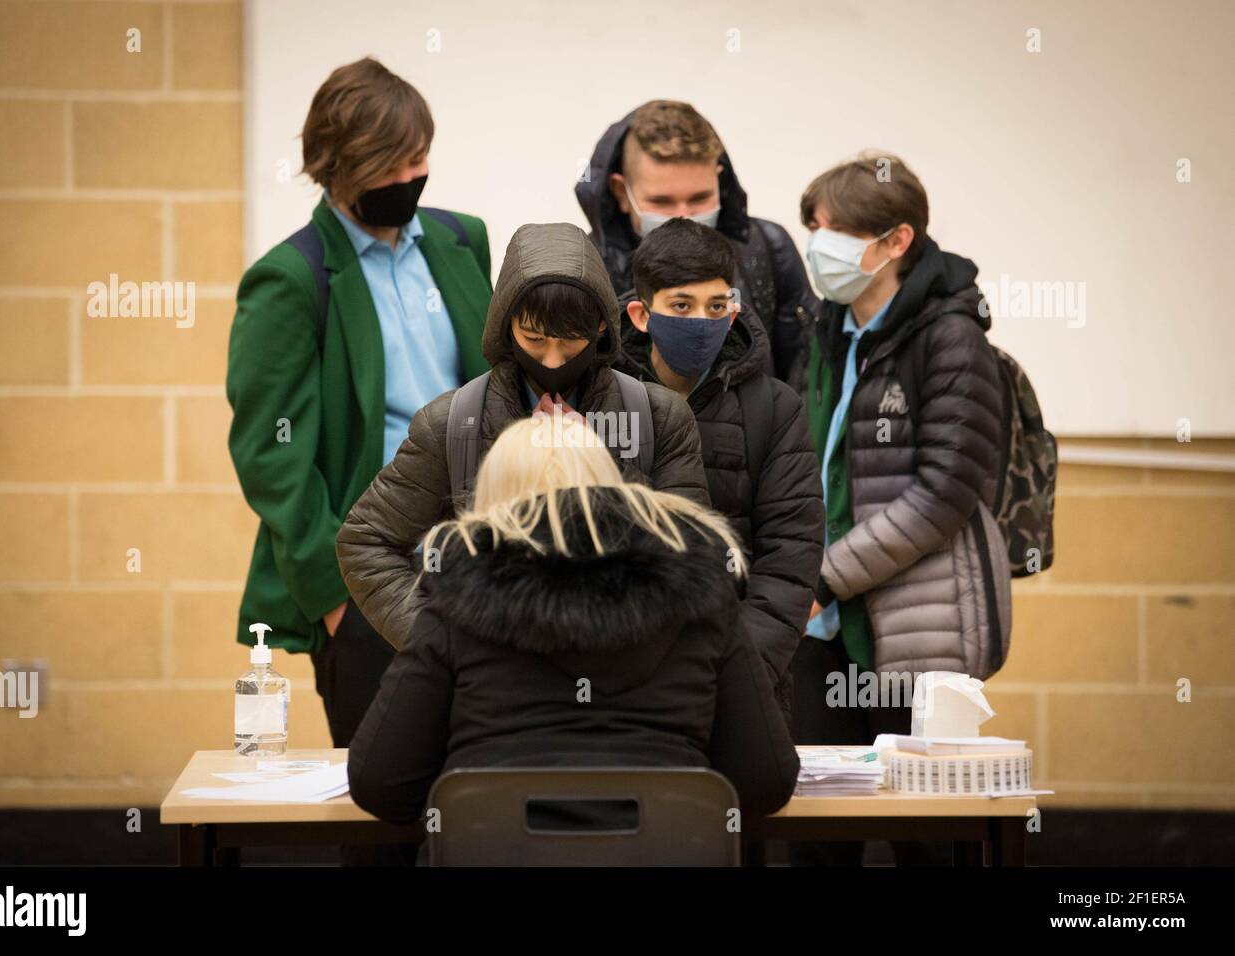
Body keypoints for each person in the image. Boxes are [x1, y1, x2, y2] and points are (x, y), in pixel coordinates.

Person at [226, 57, 492, 863]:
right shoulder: (291, 278)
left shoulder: (461, 240)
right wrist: (337, 596)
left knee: (485, 801)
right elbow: (270, 458)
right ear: (336, 168)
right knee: (388, 819)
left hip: (484, 565)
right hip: (371, 575)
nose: (412, 176)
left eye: (421, 157)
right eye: (391, 164)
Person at [346, 417, 801, 861]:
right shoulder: (703, 594)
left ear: (492, 500)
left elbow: (382, 785)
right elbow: (764, 781)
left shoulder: (453, 600)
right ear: (610, 487)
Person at [336, 221, 711, 650]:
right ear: (506, 324)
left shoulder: (658, 417)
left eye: (571, 340)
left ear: (603, 327)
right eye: (534, 338)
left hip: (622, 679)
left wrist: (596, 468)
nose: (553, 358)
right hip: (491, 689)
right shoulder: (452, 423)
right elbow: (366, 540)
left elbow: (691, 557)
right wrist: (444, 646)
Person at [787, 152, 1010, 866]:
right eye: (815, 228)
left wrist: (824, 575)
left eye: (834, 231)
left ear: (896, 242)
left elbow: (944, 493)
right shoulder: (827, 328)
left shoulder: (951, 338)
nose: (819, 246)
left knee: (925, 833)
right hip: (821, 626)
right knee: (816, 827)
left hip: (914, 625)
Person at [614, 217, 824, 733]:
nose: (701, 321)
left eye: (716, 307)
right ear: (641, 315)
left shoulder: (775, 409)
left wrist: (735, 674)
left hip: (741, 687)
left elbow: (790, 561)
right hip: (616, 687)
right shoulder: (602, 402)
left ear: (733, 311)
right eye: (681, 307)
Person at [575, 99, 821, 380]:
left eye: (700, 198)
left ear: (719, 179)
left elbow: (806, 372)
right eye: (662, 202)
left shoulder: (770, 248)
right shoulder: (585, 267)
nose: (684, 216)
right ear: (621, 192)